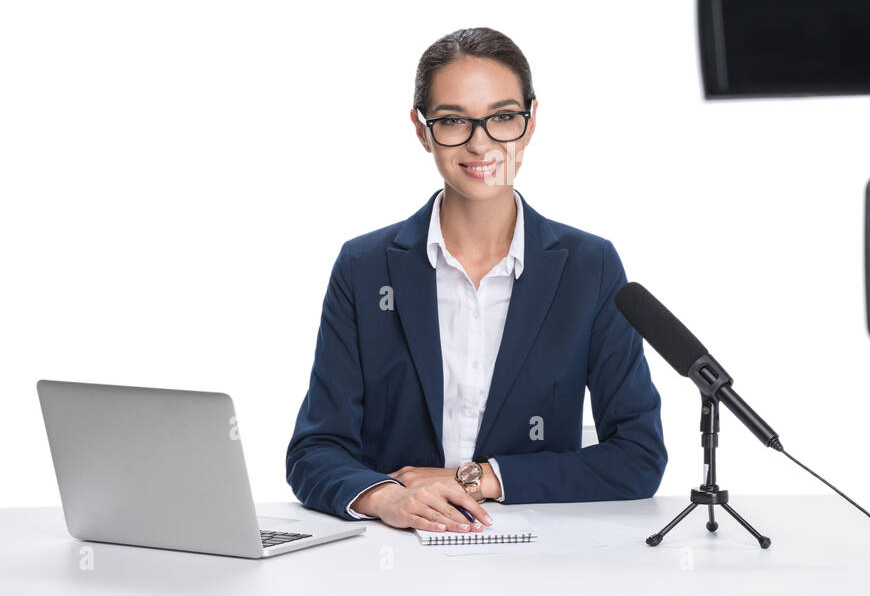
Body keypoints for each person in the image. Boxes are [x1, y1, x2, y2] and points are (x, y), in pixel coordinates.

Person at [285, 27, 667, 534]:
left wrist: (475, 478)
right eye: (452, 121)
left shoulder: (588, 266)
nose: (481, 142)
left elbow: (637, 457)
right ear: (422, 131)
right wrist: (386, 498)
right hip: (389, 555)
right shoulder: (365, 266)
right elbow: (315, 450)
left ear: (530, 122)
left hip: (539, 555)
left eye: (502, 117)